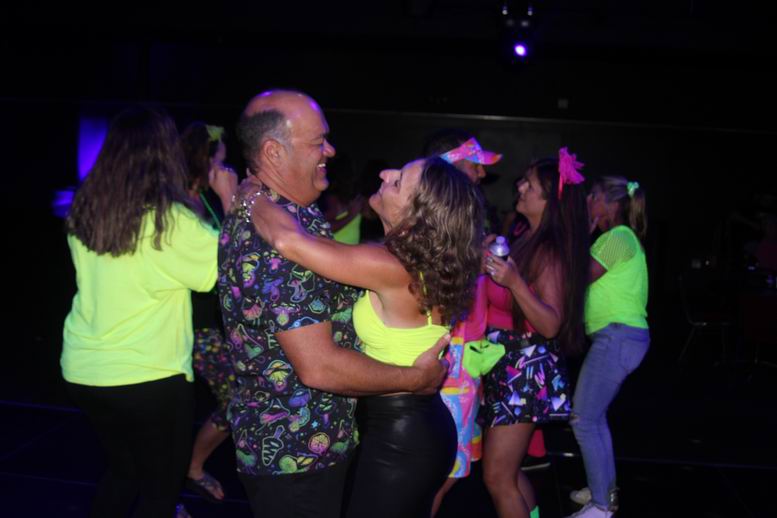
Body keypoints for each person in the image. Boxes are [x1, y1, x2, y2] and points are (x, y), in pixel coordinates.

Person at [217, 90, 450, 518]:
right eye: (317, 142)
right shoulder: (273, 237)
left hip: (341, 440)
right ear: (273, 152)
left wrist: (249, 195)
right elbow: (319, 367)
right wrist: (415, 379)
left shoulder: (292, 218)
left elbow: (294, 244)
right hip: (294, 453)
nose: (330, 150)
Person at [61, 106, 236, 518]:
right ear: (165, 155)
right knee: (160, 491)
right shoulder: (170, 222)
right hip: (149, 376)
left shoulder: (86, 211)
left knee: (124, 473)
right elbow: (230, 268)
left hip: (85, 370)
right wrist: (231, 199)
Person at [481, 148, 590, 518]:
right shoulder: (528, 238)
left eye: (529, 183)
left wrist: (514, 282)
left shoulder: (550, 250)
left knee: (498, 478)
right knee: (507, 475)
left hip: (524, 369)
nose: (520, 186)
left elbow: (551, 323)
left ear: (549, 199)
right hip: (509, 365)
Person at [566, 177, 649, 518]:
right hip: (619, 337)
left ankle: (601, 506)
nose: (589, 200)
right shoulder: (618, 238)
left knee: (583, 420)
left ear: (612, 204)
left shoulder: (618, 237)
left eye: (594, 196)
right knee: (595, 419)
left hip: (618, 336)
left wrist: (580, 235)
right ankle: (602, 488)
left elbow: (579, 275)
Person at [180, 121, 237, 502]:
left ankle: (191, 468)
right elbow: (228, 253)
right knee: (235, 399)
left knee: (236, 400)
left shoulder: (204, 200)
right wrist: (230, 199)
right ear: (204, 159)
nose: (225, 168)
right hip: (188, 325)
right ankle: (184, 476)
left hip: (209, 322)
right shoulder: (179, 205)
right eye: (220, 161)